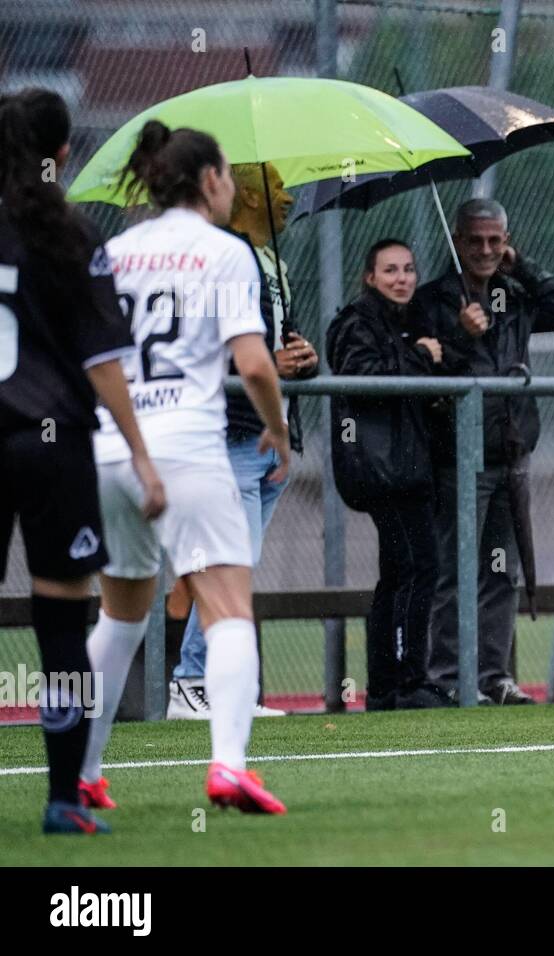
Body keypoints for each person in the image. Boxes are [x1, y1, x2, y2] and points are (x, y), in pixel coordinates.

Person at [77, 120, 292, 815]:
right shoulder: (226, 252)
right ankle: (229, 766)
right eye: (228, 174)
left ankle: (79, 770)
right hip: (189, 449)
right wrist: (278, 430)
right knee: (228, 610)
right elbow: (254, 363)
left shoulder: (113, 252)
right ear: (207, 181)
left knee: (119, 615)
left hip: (112, 448)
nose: (232, 186)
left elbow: (95, 358)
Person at [0, 88, 165, 834]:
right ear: (63, 153)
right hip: (52, 447)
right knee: (63, 629)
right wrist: (139, 453)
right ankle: (64, 800)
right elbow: (103, 359)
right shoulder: (73, 236)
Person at [414, 199, 554, 706]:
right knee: (453, 569)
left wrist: (522, 266)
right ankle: (447, 677)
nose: (485, 250)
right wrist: (458, 335)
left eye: (495, 241)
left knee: (500, 569)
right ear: (459, 241)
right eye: (476, 240)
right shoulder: (433, 300)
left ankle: (493, 676)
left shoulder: (516, 293)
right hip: (457, 457)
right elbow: (430, 370)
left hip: (511, 453)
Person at [168, 160, 318, 719]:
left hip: (268, 437)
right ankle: (191, 683)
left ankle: (214, 687)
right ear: (249, 195)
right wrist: (264, 365)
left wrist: (300, 359)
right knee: (229, 563)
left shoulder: (271, 260)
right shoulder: (223, 257)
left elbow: (273, 347)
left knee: (240, 562)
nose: (288, 198)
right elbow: (208, 345)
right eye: (277, 187)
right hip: (234, 433)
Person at [327, 239, 448, 711]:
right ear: (369, 277)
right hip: (382, 473)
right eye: (390, 270)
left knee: (406, 571)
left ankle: (391, 685)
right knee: (414, 570)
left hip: (410, 469)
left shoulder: (408, 320)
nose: (402, 278)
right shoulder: (357, 322)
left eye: (408, 269)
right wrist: (420, 356)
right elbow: (364, 380)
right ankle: (400, 683)